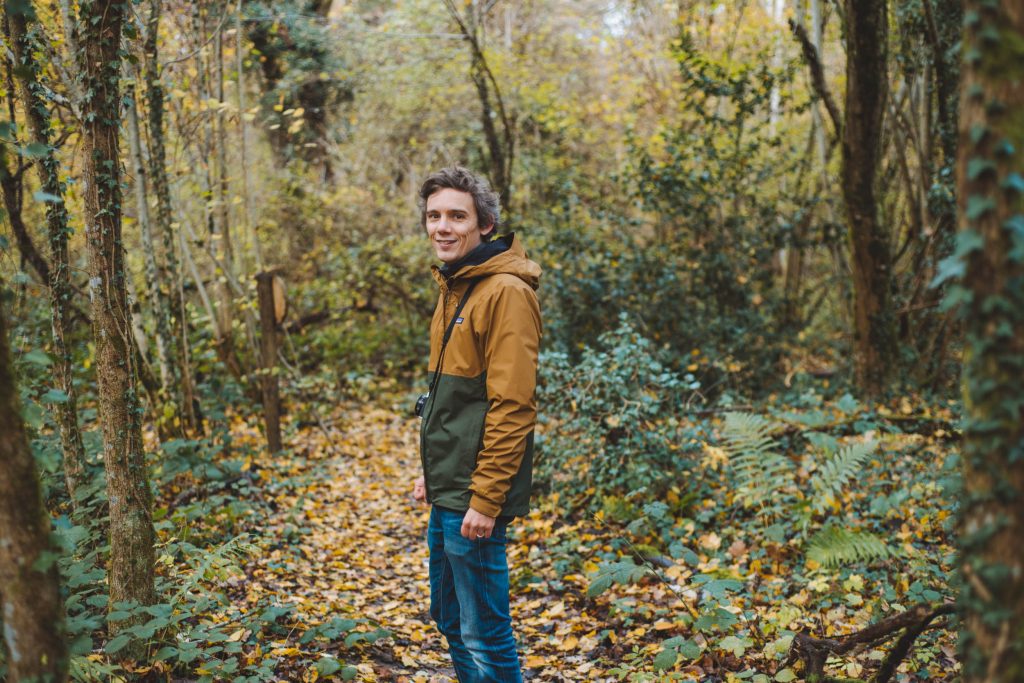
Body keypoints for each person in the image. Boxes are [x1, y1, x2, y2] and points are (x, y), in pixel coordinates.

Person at [412, 166, 541, 682]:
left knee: (483, 631)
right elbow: (453, 402)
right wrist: (432, 470)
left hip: (475, 494)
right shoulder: (456, 285)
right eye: (434, 216)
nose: (442, 227)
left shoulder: (505, 292)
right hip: (450, 485)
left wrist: (486, 498)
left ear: (484, 224)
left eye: (456, 216)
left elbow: (512, 406)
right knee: (449, 618)